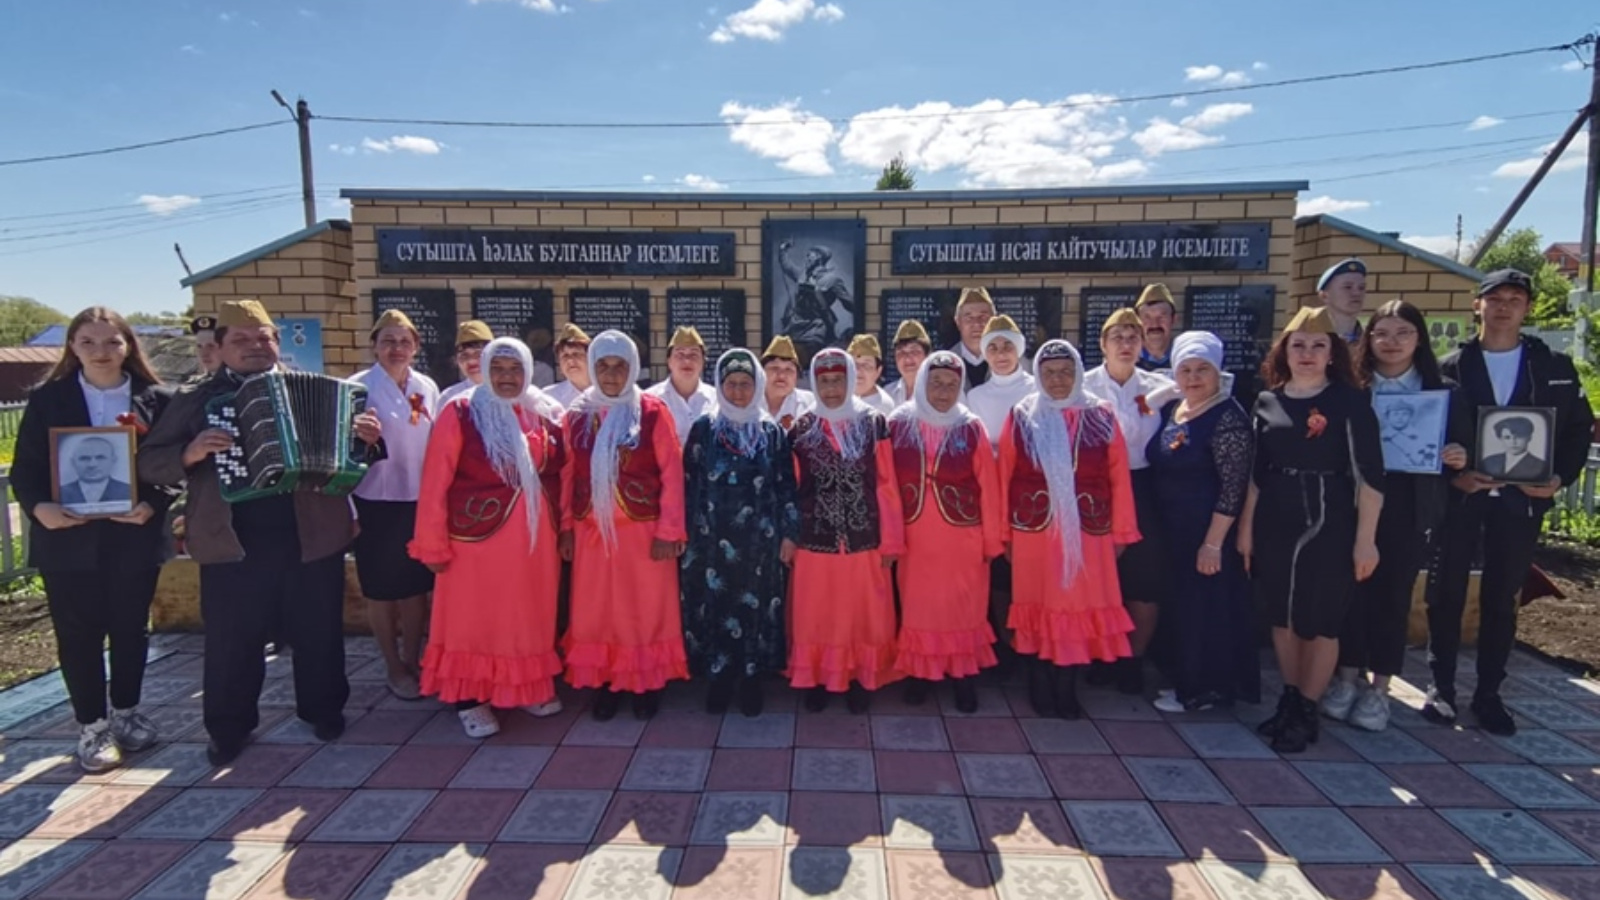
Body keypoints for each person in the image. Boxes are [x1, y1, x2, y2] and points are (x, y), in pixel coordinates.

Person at [140, 299, 384, 765]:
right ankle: (228, 728)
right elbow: (150, 461)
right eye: (241, 339)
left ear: (276, 342)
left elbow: (352, 460)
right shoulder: (195, 398)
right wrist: (190, 452)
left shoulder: (318, 388)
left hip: (310, 532)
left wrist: (366, 441)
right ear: (219, 347)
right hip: (232, 538)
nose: (254, 346)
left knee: (318, 630)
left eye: (263, 338)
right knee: (233, 640)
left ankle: (324, 709)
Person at [1426, 268, 1594, 735]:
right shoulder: (1449, 367)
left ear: (1527, 308)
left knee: (1502, 598)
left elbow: (1577, 431)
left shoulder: (1553, 368)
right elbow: (1428, 435)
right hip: (1462, 502)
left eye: (1514, 299)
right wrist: (1453, 478)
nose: (1503, 307)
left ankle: (1489, 694)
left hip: (1520, 503)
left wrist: (1558, 478)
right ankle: (1441, 688)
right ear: (1477, 305)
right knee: (1446, 593)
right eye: (1495, 298)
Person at [11, 307, 176, 772]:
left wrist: (154, 504)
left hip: (133, 535)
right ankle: (92, 726)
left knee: (130, 628)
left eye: (112, 342)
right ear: (72, 346)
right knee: (77, 633)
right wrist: (41, 508)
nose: (101, 351)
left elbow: (172, 467)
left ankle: (125, 712)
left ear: (129, 346)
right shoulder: (49, 399)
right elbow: (25, 469)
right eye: (88, 342)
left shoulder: (158, 399)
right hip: (67, 538)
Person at [1237, 306, 1385, 753]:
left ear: (1332, 353)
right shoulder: (1268, 401)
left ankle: (1307, 707)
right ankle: (1289, 695)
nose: (1307, 353)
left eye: (1318, 345)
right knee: (1282, 617)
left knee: (1319, 621)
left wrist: (1366, 541)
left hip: (1329, 520)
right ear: (1284, 352)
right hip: (1276, 519)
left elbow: (1369, 479)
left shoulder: (1350, 403)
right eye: (1298, 345)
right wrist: (1246, 532)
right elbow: (1256, 475)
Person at [1319, 301, 1471, 732]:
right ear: (1368, 339)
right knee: (1350, 592)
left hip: (1409, 505)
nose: (1391, 342)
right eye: (1382, 333)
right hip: (1352, 501)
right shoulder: (1350, 387)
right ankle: (1347, 678)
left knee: (1392, 595)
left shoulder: (1443, 392)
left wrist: (1458, 455)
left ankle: (1380, 688)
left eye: (1403, 333)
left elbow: (1464, 449)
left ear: (1418, 338)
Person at [410, 338, 566, 738]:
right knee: (473, 621)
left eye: (515, 370)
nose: (507, 377)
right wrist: (432, 542)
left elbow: (563, 476)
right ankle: (471, 697)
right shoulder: (461, 412)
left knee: (526, 618)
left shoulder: (543, 414)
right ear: (484, 370)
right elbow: (435, 480)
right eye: (498, 369)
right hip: (475, 544)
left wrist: (565, 529)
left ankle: (523, 685)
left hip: (534, 547)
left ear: (529, 372)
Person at [999, 339, 1138, 720]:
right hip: (1034, 532)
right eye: (1049, 373)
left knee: (1074, 608)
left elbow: (1118, 477)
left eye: (1065, 372)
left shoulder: (1101, 415)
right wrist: (1004, 535)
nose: (1057, 380)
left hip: (1087, 533)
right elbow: (1004, 476)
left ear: (1078, 372)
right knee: (1037, 605)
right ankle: (1039, 682)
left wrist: (1122, 532)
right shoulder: (1022, 415)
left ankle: (1066, 686)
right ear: (1038, 375)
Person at [560, 330, 689, 721]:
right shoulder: (577, 415)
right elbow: (567, 473)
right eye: (603, 366)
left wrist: (669, 530)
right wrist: (566, 527)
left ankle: (645, 682)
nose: (612, 374)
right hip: (591, 530)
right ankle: (606, 680)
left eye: (620, 366)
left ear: (633, 368)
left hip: (644, 531)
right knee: (598, 610)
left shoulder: (651, 411)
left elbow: (671, 472)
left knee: (644, 610)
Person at [681, 348, 799, 718]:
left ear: (757, 386)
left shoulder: (770, 432)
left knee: (755, 611)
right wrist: (685, 535)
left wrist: (789, 534)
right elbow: (688, 483)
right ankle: (718, 680)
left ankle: (751, 681)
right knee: (715, 606)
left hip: (760, 543)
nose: (737, 391)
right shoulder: (704, 429)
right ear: (719, 385)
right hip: (710, 541)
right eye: (730, 383)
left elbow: (786, 485)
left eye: (745, 384)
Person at [1146, 331, 1259, 713]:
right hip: (1172, 528)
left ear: (1217, 372)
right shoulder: (1174, 409)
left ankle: (1204, 690)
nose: (1193, 378)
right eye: (1186, 370)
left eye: (1202, 369)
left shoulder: (1227, 418)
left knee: (1206, 610)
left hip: (1206, 530)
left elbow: (1233, 486)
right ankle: (1183, 680)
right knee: (1183, 608)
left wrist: (1213, 543)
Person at [788, 348, 905, 713]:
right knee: (816, 614)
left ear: (851, 380)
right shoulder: (802, 428)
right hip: (814, 540)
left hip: (864, 539)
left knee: (862, 614)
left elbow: (886, 484)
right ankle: (818, 676)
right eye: (824, 381)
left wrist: (891, 540)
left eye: (838, 380)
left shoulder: (873, 423)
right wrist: (789, 535)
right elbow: (791, 488)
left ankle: (860, 676)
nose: (831, 389)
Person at [888, 351, 1002, 712]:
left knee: (963, 607)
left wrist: (991, 541)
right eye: (935, 382)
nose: (942, 391)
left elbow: (988, 488)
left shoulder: (971, 426)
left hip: (962, 538)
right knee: (918, 607)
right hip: (915, 536)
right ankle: (921, 673)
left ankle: (962, 673)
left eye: (952, 384)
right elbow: (885, 484)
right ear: (922, 382)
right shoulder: (897, 423)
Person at [1084, 308, 1179, 694]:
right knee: (1098, 579)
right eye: (1117, 337)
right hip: (1095, 488)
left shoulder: (1163, 387)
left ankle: (1133, 660)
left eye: (1132, 337)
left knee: (1144, 579)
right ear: (1102, 344)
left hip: (1144, 486)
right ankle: (1100, 656)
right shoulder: (1083, 386)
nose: (1125, 344)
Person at [349, 310, 439, 701]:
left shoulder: (426, 387)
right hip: (374, 502)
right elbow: (337, 454)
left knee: (415, 587)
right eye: (388, 341)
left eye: (404, 341)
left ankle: (412, 659)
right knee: (381, 590)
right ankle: (392, 665)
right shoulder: (356, 388)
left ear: (415, 347)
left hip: (419, 501)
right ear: (374, 346)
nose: (396, 348)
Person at [777, 241, 856, 366]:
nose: (807, 258)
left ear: (819, 258)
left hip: (816, 326)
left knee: (814, 359)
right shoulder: (802, 275)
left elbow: (850, 304)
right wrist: (783, 250)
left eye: (810, 255)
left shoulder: (832, 280)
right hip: (795, 325)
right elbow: (787, 266)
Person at [967, 315, 1036, 452]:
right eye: (993, 348)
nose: (1001, 354)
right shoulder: (975, 397)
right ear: (985, 355)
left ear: (1018, 350)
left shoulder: (1037, 389)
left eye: (1007, 346)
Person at [645, 326, 718, 445]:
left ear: (703, 361)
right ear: (669, 361)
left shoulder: (718, 400)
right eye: (680, 355)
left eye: (693, 355)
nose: (687, 361)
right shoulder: (649, 399)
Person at [58, 436, 133, 509]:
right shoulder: (60, 493)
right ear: (73, 462)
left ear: (113, 460)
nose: (92, 465)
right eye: (84, 458)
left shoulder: (129, 491)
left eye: (100, 458)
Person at [761, 335, 816, 429]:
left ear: (797, 376)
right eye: (774, 368)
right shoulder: (749, 402)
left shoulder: (810, 404)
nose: (781, 375)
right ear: (761, 373)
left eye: (788, 370)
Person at [439, 320, 494, 406]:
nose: (471, 361)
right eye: (464, 356)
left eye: (478, 354)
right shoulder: (449, 397)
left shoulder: (508, 392)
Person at [950, 288, 996, 390]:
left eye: (983, 317)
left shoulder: (1013, 362)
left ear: (993, 320)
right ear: (957, 322)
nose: (976, 324)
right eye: (969, 318)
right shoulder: (946, 362)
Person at [1319, 258, 1368, 345]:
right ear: (1324, 296)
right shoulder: (1310, 337)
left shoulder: (1370, 339)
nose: (1356, 293)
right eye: (1347, 287)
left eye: (1361, 288)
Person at [1480, 416, 1546, 481]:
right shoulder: (1489, 461)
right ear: (1500, 439)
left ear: (1529, 438)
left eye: (1519, 437)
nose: (1513, 442)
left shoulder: (1541, 466)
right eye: (1507, 437)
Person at [545, 323, 594, 409]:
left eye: (576, 354)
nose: (570, 360)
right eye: (565, 356)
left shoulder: (607, 392)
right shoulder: (549, 396)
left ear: (591, 358)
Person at [887, 319, 933, 405]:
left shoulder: (938, 392)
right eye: (901, 352)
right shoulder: (887, 394)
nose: (907, 359)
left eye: (914, 351)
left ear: (927, 355)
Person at [849, 333, 898, 414]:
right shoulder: (839, 399)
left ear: (878, 371)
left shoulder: (883, 407)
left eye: (866, 365)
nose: (858, 371)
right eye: (854, 364)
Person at [1135, 284, 1178, 374]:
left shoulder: (1184, 359)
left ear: (1173, 319)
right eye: (1147, 317)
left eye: (1161, 317)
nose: (1154, 324)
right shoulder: (1127, 361)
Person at [190, 314, 221, 380]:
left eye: (211, 346)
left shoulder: (240, 384)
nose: (204, 354)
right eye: (199, 346)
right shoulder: (197, 382)